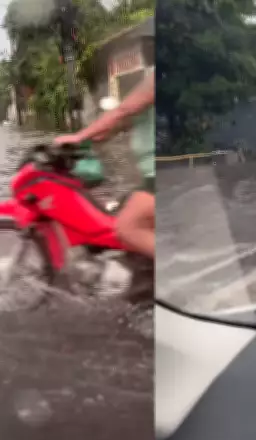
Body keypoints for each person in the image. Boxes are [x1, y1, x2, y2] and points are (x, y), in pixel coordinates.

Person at [54, 73, 155, 306]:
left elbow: (122, 111)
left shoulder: (157, 77)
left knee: (126, 227)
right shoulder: (149, 83)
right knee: (118, 212)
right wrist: (78, 144)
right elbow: (112, 126)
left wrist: (79, 136)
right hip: (151, 177)